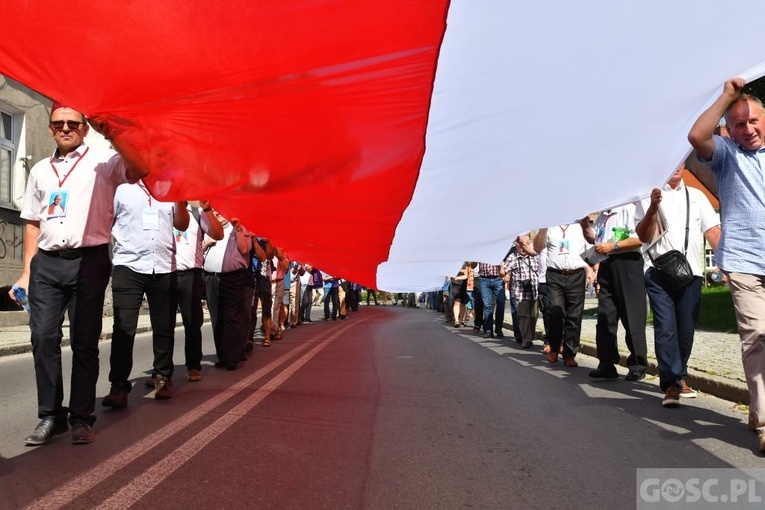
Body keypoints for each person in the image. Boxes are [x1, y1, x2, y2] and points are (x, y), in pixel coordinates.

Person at [10, 102, 149, 445]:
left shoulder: (104, 163)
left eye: (74, 123)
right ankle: (50, 417)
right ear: (50, 128)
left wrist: (113, 136)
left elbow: (141, 168)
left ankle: (82, 418)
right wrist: (26, 271)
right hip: (47, 262)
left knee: (85, 341)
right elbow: (31, 221)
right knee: (43, 338)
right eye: (59, 123)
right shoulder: (41, 169)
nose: (66, 128)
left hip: (89, 262)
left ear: (85, 128)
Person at [688, 77, 765, 449]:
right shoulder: (726, 155)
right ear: (729, 130)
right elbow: (696, 136)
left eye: (754, 121)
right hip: (745, 261)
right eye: (739, 124)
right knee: (758, 337)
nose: (748, 129)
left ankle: (757, 407)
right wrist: (728, 96)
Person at [635, 165, 720, 408]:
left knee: (686, 328)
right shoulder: (646, 197)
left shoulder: (696, 196)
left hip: (690, 272)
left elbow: (713, 231)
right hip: (657, 273)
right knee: (665, 327)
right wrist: (652, 207)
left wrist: (725, 262)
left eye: (680, 163)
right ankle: (671, 383)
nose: (675, 168)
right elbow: (643, 235)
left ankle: (680, 373)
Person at [101, 182, 189, 408]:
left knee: (164, 326)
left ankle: (162, 378)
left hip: (162, 266)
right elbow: (104, 224)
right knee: (123, 328)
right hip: (128, 265)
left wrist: (179, 198)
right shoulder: (121, 188)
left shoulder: (170, 189)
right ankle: (119, 386)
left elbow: (182, 223)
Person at [581, 205, 648, 382]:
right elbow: (592, 238)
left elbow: (640, 239)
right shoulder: (602, 216)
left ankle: (638, 365)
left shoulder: (629, 209)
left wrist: (613, 246)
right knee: (605, 317)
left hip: (628, 264)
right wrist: (583, 224)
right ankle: (606, 364)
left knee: (632, 317)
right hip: (607, 265)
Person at [173, 201, 223, 381]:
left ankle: (193, 365)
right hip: (165, 272)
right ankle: (161, 371)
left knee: (192, 322)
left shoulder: (196, 212)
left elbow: (218, 234)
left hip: (191, 274)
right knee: (163, 323)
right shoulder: (162, 207)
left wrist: (208, 209)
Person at [533, 223, 595, 367]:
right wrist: (543, 227)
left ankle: (569, 354)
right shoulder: (550, 227)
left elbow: (591, 246)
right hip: (555, 275)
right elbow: (537, 247)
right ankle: (554, 348)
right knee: (555, 311)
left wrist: (592, 270)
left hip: (576, 274)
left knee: (574, 316)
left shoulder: (580, 226)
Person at [203, 211, 251, 370]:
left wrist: (238, 230)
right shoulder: (210, 230)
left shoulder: (237, 227)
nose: (216, 214)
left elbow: (244, 250)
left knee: (232, 317)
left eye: (219, 212)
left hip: (233, 277)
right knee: (217, 317)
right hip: (211, 278)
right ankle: (222, 355)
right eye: (214, 212)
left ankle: (233, 356)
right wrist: (207, 242)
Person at [502, 235, 539, 349]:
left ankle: (530, 336)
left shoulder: (535, 256)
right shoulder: (512, 257)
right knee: (523, 316)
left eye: (525, 245)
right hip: (520, 291)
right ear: (516, 246)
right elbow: (503, 273)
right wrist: (501, 268)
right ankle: (526, 339)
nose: (522, 248)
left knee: (534, 315)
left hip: (534, 290)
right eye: (520, 245)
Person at [478, 261, 506, 339]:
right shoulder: (479, 250)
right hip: (484, 279)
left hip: (498, 278)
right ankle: (488, 330)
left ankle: (498, 329)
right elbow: (473, 265)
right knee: (487, 305)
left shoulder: (499, 249)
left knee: (501, 303)